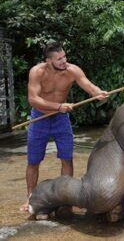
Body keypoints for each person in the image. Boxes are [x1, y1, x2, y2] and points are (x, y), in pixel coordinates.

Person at [19, 42, 109, 212]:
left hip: (61, 119)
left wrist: (99, 93)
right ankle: (31, 197)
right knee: (33, 160)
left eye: (64, 56)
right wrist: (58, 106)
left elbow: (88, 86)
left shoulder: (72, 70)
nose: (64, 61)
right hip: (40, 118)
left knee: (67, 157)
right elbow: (33, 99)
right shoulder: (37, 72)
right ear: (48, 61)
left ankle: (65, 198)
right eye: (59, 59)